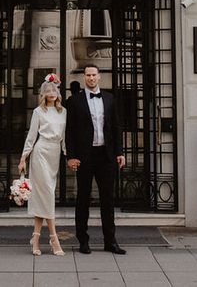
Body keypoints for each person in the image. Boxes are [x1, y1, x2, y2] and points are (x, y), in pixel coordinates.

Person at [65, 64, 127, 255]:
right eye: (88, 75)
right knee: (83, 199)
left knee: (107, 200)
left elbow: (116, 127)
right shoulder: (74, 101)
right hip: (84, 157)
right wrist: (71, 156)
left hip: (106, 156)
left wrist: (119, 152)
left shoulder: (109, 98)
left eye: (94, 74)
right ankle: (83, 240)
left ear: (99, 77)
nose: (91, 78)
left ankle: (110, 241)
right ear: (84, 78)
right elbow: (70, 131)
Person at [17, 74, 67, 257]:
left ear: (58, 92)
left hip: (54, 154)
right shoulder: (39, 111)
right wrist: (23, 158)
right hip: (40, 152)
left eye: (54, 90)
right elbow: (31, 137)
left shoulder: (64, 112)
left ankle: (36, 237)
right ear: (43, 93)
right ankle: (54, 238)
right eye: (48, 90)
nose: (51, 93)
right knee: (47, 194)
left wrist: (68, 156)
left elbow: (65, 138)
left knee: (45, 196)